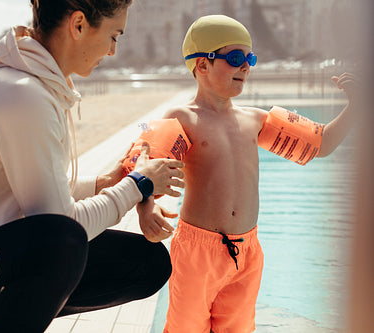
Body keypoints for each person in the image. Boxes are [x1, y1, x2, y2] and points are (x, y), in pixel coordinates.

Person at [0, 1, 186, 332]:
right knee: (62, 241)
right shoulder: (20, 93)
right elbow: (61, 225)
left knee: (146, 264)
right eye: (113, 35)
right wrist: (137, 185)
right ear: (78, 25)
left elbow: (36, 189)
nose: (113, 51)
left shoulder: (35, 85)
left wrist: (105, 183)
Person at [136, 15, 358, 333]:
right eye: (236, 58)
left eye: (249, 59)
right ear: (202, 65)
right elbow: (146, 164)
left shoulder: (257, 120)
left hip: (247, 251)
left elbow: (320, 144)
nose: (245, 67)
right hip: (197, 251)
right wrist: (147, 207)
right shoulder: (182, 117)